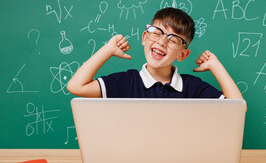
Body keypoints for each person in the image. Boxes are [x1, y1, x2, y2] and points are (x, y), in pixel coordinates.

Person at [67, 7, 243, 99]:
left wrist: (215, 66)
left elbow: (237, 107)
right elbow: (76, 86)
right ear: (144, 37)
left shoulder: (192, 87)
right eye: (156, 32)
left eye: (173, 40)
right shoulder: (126, 82)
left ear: (182, 55)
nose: (161, 41)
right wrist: (107, 50)